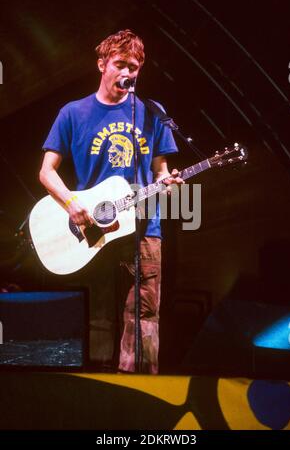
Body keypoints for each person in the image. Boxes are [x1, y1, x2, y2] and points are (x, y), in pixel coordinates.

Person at [39, 29, 183, 374]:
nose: (128, 73)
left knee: (145, 315)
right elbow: (46, 172)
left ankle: (140, 391)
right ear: (102, 64)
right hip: (94, 230)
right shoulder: (73, 113)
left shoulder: (152, 112)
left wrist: (168, 183)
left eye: (134, 67)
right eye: (120, 64)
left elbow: (161, 169)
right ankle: (96, 391)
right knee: (99, 313)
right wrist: (71, 202)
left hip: (144, 226)